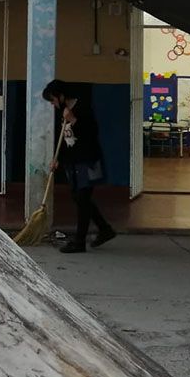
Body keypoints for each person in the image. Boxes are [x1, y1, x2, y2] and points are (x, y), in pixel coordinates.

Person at [42, 79, 117, 253]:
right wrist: (57, 158)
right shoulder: (62, 111)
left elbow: (92, 133)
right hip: (73, 161)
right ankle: (105, 229)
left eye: (53, 100)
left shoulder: (82, 108)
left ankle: (79, 241)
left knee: (82, 198)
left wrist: (74, 120)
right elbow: (64, 138)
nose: (53, 104)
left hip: (87, 160)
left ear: (61, 96)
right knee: (78, 198)